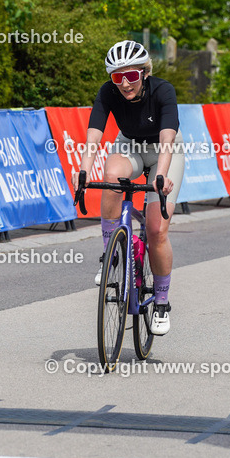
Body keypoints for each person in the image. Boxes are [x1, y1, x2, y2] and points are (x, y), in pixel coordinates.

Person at [76, 40, 184, 336]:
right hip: (130, 146)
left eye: (132, 76)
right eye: (117, 77)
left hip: (164, 152)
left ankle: (161, 301)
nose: (125, 83)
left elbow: (167, 140)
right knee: (111, 176)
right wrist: (84, 168)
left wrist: (160, 176)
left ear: (144, 72)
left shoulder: (163, 90)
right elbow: (94, 136)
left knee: (156, 230)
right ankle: (111, 255)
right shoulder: (108, 92)